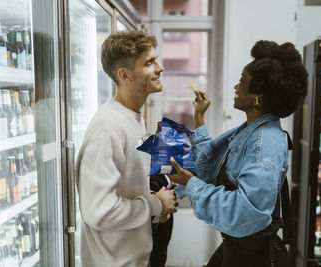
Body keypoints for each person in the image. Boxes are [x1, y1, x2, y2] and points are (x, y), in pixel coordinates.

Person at [168, 40, 308, 266]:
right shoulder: (251, 131)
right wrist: (199, 118)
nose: (236, 86)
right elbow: (211, 165)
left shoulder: (264, 144)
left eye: (242, 81)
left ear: (258, 97)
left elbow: (244, 212)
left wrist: (191, 184)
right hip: (239, 247)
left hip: (255, 258)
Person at [76, 31, 177, 267]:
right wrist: (155, 204)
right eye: (149, 63)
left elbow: (126, 192)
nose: (160, 68)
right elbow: (99, 211)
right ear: (125, 75)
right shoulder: (108, 128)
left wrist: (155, 206)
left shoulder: (132, 117)